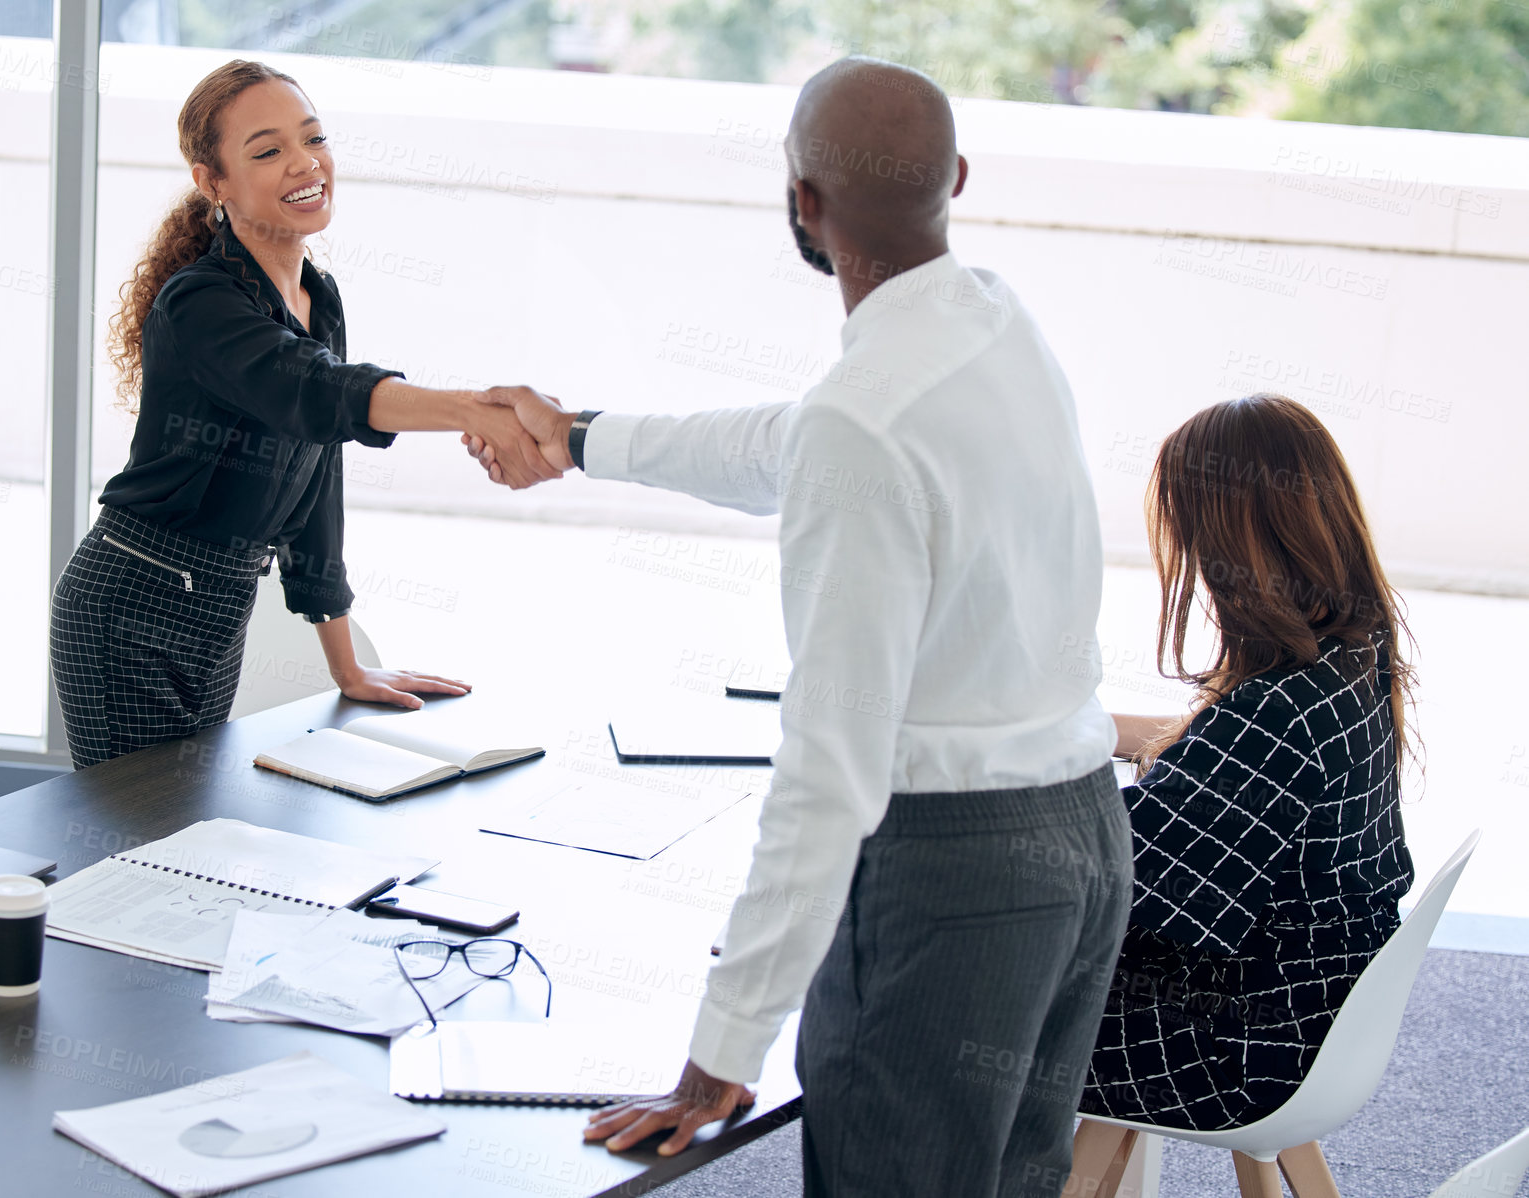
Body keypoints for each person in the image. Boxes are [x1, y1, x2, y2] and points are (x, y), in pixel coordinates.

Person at [469, 57, 1133, 1198]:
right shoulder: (992, 323)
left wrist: (720, 1048)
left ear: (801, 203)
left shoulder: (860, 425)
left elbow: (829, 770)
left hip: (950, 878)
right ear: (956, 179)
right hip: (1080, 842)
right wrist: (582, 438)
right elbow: (788, 442)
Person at [50, 60, 559, 770]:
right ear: (212, 182)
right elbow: (318, 391)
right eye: (267, 151)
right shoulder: (199, 303)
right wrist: (476, 410)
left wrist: (347, 669)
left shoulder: (319, 295)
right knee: (139, 842)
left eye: (313, 139)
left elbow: (318, 479)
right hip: (133, 604)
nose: (304, 163)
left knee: (180, 835)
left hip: (218, 606)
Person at [1074, 393, 1417, 1137]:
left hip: (1234, 1053)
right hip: (1312, 1017)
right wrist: (1074, 731)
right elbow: (1210, 758)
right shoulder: (1351, 652)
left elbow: (1112, 880)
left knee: (948, 987)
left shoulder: (1279, 712)